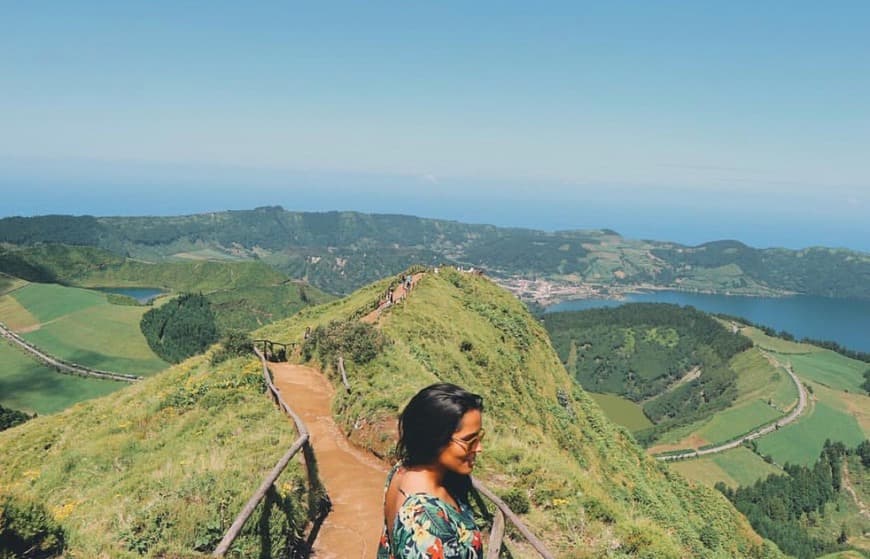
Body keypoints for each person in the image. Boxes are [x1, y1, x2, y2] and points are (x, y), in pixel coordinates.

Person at [377, 383, 485, 558]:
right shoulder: (425, 524)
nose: (479, 448)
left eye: (479, 437)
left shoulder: (402, 470)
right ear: (435, 438)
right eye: (469, 441)